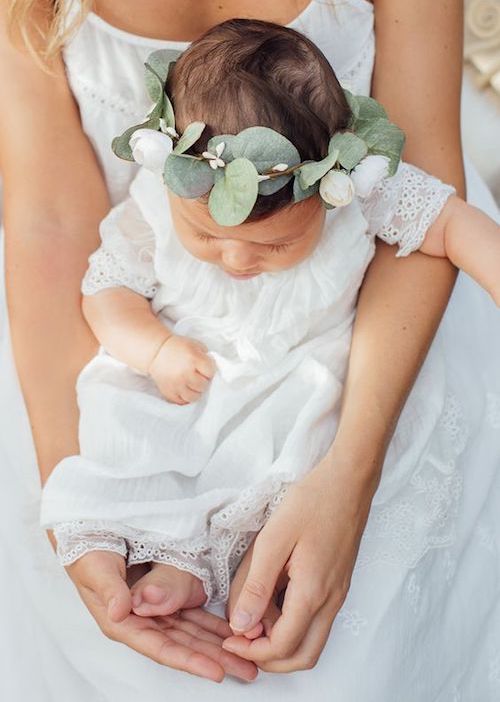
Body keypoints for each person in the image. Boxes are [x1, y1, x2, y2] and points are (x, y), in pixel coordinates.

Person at [1, 0, 499, 699]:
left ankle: (230, 554)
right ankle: (169, 548)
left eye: (268, 242)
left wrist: (350, 476)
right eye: (210, 238)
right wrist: (150, 353)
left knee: (298, 440)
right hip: (172, 344)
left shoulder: (356, 190)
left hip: (360, 337)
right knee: (144, 438)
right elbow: (77, 256)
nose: (234, 258)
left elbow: (445, 217)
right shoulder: (152, 209)